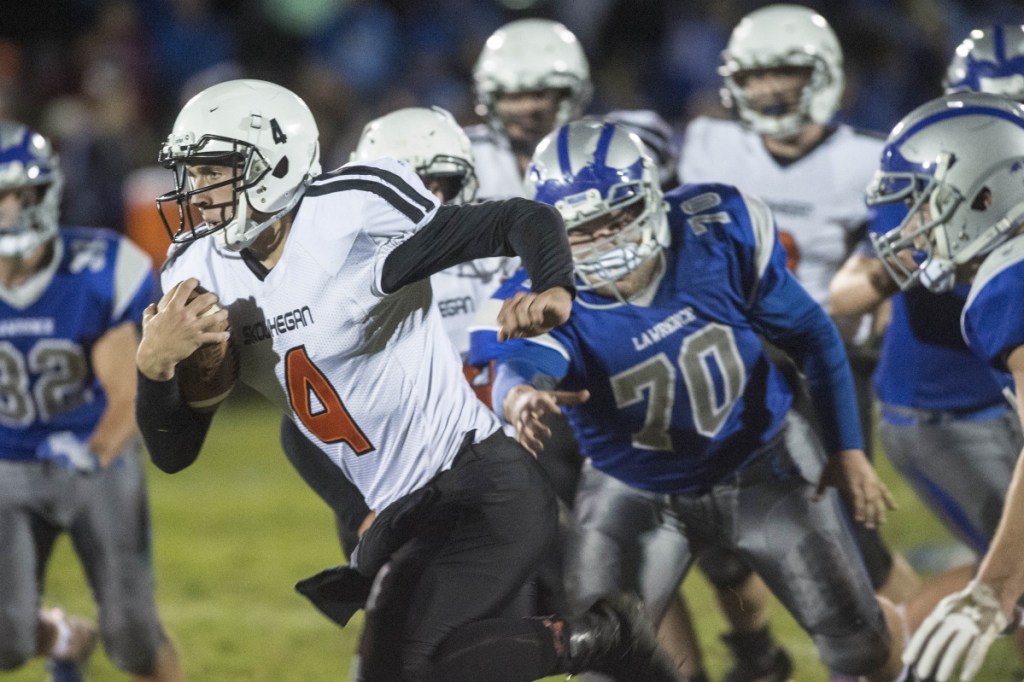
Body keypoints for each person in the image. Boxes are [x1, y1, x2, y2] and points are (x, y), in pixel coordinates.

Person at [133, 78, 684, 682]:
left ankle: (601, 639)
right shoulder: (196, 268)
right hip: (398, 510)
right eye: (193, 172)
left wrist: (552, 287)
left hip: (475, 485)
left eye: (216, 171)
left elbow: (520, 219)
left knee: (397, 671)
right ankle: (598, 638)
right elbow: (174, 453)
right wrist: (154, 369)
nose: (197, 192)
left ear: (277, 163)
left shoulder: (346, 222)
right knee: (417, 667)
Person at [471, 119, 907, 681]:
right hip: (635, 488)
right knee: (606, 668)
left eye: (615, 218)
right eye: (580, 230)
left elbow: (813, 336)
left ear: (651, 197)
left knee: (858, 646)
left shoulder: (716, 229)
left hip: (762, 463)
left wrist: (846, 450)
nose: (603, 240)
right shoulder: (535, 293)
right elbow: (520, 364)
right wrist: (519, 398)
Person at [677, 6, 920, 679]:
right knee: (720, 540)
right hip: (726, 365)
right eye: (756, 77)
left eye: (785, 72)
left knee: (853, 546)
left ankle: (922, 648)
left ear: (824, 76)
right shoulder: (705, 144)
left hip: (823, 362)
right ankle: (757, 653)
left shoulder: (873, 159)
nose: (770, 90)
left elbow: (886, 274)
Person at [829, 21, 1024, 611]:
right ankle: (894, 662)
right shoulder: (948, 182)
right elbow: (847, 293)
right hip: (945, 412)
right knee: (1011, 573)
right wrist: (912, 263)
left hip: (1002, 396)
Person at [0, 122, 182, 681]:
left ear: (41, 196)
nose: (6, 211)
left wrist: (94, 451)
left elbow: (125, 394)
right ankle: (64, 637)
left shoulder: (97, 268)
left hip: (91, 459)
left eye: (14, 196)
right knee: (4, 641)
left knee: (131, 638)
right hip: (7, 464)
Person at [864, 90, 1024, 682]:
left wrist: (996, 590)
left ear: (986, 196)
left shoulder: (1009, 283)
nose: (914, 226)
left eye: (926, 206)